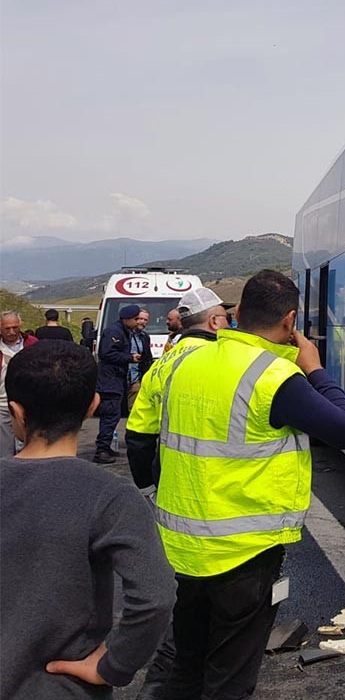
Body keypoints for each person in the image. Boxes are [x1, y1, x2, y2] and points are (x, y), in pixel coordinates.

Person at [132, 269, 345, 699]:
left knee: (186, 659)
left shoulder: (184, 361)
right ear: (290, 321)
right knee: (229, 675)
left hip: (181, 545)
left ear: (237, 314)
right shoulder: (274, 377)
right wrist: (314, 369)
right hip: (244, 553)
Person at [0, 341, 176, 699]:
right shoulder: (110, 495)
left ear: (16, 412)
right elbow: (155, 596)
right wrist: (114, 665)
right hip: (62, 688)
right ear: (93, 405)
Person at [125, 287, 231, 700]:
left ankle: (162, 687)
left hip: (172, 497)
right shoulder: (224, 362)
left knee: (184, 605)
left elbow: (137, 437)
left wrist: (146, 485)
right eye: (224, 315)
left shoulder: (163, 365)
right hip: (222, 501)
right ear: (214, 322)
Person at [95, 305, 141, 464]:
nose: (137, 323)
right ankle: (101, 449)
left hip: (116, 380)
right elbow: (106, 354)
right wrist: (129, 357)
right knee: (110, 415)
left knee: (113, 416)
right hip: (110, 381)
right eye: (135, 319)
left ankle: (105, 446)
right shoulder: (114, 332)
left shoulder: (124, 332)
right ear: (126, 319)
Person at [1, 311, 38, 457]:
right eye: (7, 328)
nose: (11, 332)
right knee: (3, 451)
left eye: (15, 327)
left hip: (28, 403)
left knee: (29, 448)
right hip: (2, 404)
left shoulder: (32, 344)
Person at [126, 309, 154, 415]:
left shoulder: (145, 337)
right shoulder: (125, 334)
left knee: (133, 409)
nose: (142, 322)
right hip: (121, 375)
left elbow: (147, 358)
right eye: (139, 319)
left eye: (145, 320)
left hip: (136, 377)